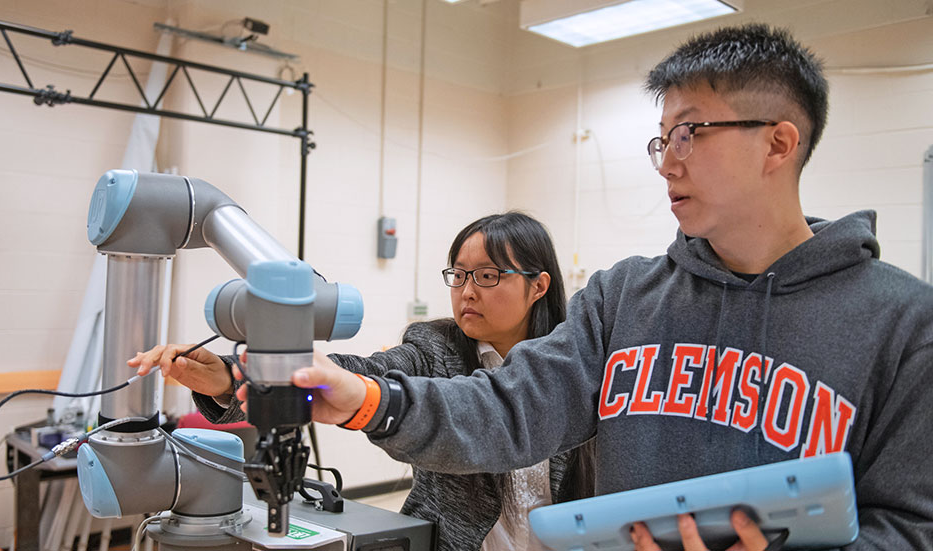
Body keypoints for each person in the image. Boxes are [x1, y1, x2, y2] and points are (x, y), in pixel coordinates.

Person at [286, 24, 933, 551]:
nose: (668, 160)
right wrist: (367, 398)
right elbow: (509, 408)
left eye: (691, 132)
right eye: (662, 138)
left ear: (778, 143)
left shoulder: (902, 324)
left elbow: (911, 524)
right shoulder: (624, 297)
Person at [130, 212, 596, 551]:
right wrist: (230, 379)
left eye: (488, 275)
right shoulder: (433, 348)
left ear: (539, 286)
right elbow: (359, 373)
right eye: (458, 275)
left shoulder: (578, 360)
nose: (467, 290)